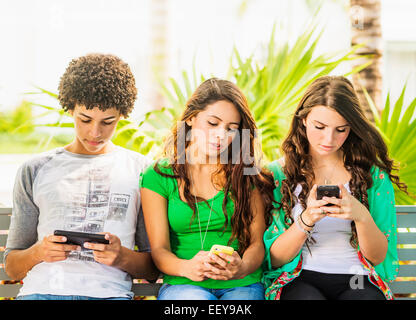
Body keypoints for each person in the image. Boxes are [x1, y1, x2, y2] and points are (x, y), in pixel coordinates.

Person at [4, 53, 159, 300]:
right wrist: (39, 252)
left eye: (108, 122)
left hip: (108, 295)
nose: (95, 132)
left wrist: (122, 257)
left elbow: (153, 267)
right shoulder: (34, 170)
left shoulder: (141, 170)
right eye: (85, 119)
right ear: (70, 108)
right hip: (41, 293)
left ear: (122, 115)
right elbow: (12, 266)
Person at [262, 75, 409, 300]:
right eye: (319, 127)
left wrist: (360, 215)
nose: (329, 139)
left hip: (356, 277)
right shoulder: (279, 175)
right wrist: (307, 219)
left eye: (341, 129)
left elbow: (378, 256)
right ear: (303, 119)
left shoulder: (373, 176)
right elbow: (276, 258)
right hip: (301, 277)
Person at [140, 78, 275, 300]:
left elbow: (256, 244)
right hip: (183, 284)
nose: (221, 135)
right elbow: (160, 251)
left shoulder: (246, 174)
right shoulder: (158, 176)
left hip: (242, 284)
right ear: (192, 118)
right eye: (213, 123)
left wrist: (241, 268)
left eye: (231, 129)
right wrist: (187, 268)